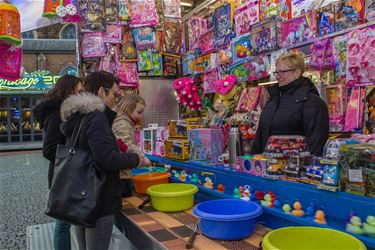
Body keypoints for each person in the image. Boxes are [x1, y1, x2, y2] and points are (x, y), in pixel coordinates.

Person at [59, 71, 140, 250]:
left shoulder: (79, 115)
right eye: (115, 94)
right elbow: (107, 159)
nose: (117, 99)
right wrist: (134, 159)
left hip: (81, 194)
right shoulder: (96, 116)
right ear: (102, 92)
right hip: (98, 198)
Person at [33, 75, 83, 250]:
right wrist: (74, 159)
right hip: (62, 175)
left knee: (68, 221)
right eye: (79, 89)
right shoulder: (57, 113)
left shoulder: (65, 110)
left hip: (65, 173)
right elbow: (49, 149)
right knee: (63, 224)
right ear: (69, 90)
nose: (81, 93)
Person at [251, 52, 329, 156]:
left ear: (297, 73)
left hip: (294, 168)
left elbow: (316, 141)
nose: (278, 76)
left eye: (282, 72)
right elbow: (260, 136)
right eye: (276, 72)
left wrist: (302, 168)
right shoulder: (273, 99)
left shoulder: (312, 102)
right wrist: (254, 162)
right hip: (269, 167)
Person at [112, 94, 151, 197]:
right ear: (128, 109)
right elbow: (125, 144)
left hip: (122, 169)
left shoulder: (125, 122)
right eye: (139, 112)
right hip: (121, 172)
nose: (141, 116)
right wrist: (141, 156)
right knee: (126, 197)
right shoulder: (122, 123)